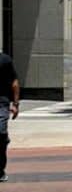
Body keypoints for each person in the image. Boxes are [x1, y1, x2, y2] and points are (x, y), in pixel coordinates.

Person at [0, 52, 19, 182]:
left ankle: (0, 170)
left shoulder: (4, 59)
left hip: (1, 103)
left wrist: (15, 104)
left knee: (0, 135)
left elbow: (14, 81)